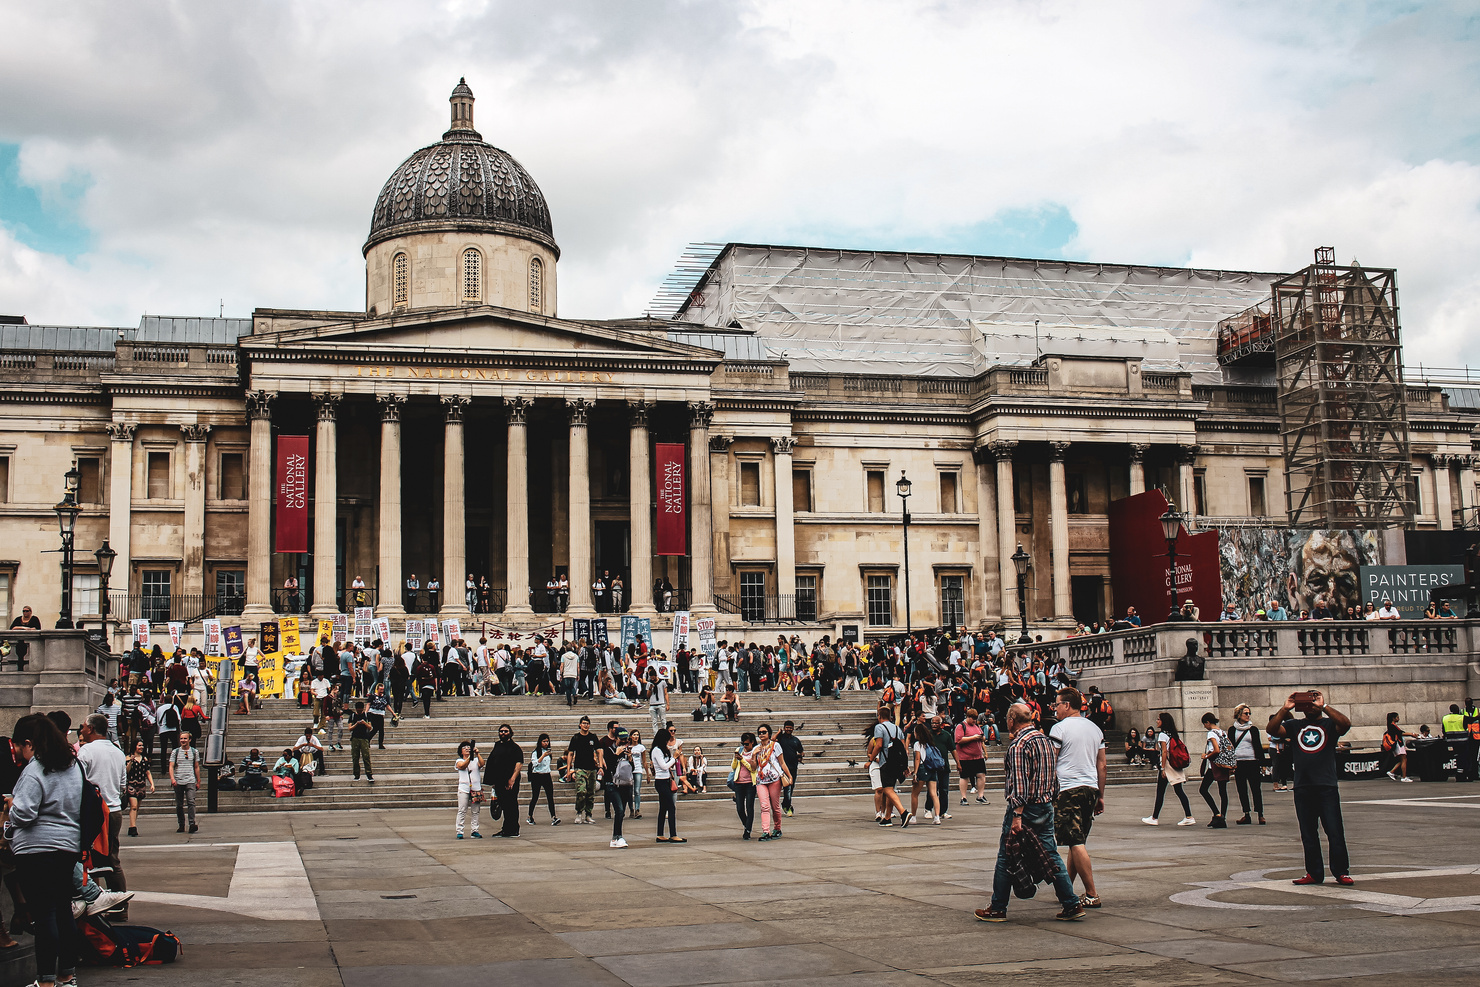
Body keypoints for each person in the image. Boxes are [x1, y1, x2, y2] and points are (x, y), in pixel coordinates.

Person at [974, 703, 1086, 923]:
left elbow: (1020, 785)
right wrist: (1050, 799)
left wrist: (1017, 814)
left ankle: (998, 907)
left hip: (1025, 808)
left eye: (1007, 718)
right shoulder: (1046, 741)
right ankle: (1071, 903)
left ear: (1012, 719)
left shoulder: (1019, 745)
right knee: (1051, 854)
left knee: (1007, 855)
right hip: (1045, 804)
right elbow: (1054, 776)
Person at [6, 715, 84, 985]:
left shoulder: (35, 769)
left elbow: (25, 813)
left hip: (36, 850)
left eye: (18, 746)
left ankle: (46, 980)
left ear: (29, 743)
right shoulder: (73, 765)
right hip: (67, 846)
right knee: (63, 911)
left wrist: (10, 809)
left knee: (45, 914)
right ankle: (67, 976)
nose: (17, 752)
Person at [1268, 690, 1353, 885]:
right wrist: (1286, 708)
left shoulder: (1329, 724)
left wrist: (1324, 706)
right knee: (1308, 833)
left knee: (1334, 831)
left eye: (1312, 701)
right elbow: (1272, 730)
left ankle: (1341, 871)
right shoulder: (1294, 725)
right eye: (1306, 703)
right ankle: (1314, 872)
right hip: (1303, 786)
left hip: (1326, 785)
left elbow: (1346, 724)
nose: (1310, 706)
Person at [1049, 687, 1105, 909]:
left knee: (1075, 841)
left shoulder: (1059, 728)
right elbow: (1102, 764)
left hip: (1068, 789)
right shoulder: (1095, 728)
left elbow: (1051, 762)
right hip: (1090, 788)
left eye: (1057, 704)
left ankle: (1091, 894)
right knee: (1077, 840)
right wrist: (1101, 794)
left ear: (1067, 705)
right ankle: (1067, 890)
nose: (1055, 708)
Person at [77, 713, 128, 894]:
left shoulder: (86, 751)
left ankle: (93, 901)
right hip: (114, 810)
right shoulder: (118, 752)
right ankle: (120, 905)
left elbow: (78, 781)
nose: (81, 730)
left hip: (94, 811)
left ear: (90, 728)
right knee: (112, 858)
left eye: (83, 726)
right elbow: (123, 784)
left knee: (89, 858)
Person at [1142, 712, 1194, 826]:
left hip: (1168, 766)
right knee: (1178, 791)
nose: (1157, 721)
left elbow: (1164, 751)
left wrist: (1163, 768)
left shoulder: (1162, 735)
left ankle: (1155, 818)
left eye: (1158, 719)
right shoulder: (1173, 734)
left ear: (1163, 721)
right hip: (1175, 765)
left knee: (1161, 792)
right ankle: (1188, 816)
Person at [746, 723, 790, 842]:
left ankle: (777, 828)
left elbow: (782, 763)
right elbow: (753, 768)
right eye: (759, 732)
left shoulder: (776, 746)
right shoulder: (756, 748)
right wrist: (754, 755)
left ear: (769, 734)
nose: (761, 734)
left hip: (774, 779)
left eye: (764, 732)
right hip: (761, 780)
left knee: (775, 807)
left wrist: (789, 776)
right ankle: (766, 831)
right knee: (764, 806)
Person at [868, 705, 910, 827]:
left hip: (886, 762)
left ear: (879, 716)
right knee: (891, 788)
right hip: (897, 763)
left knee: (887, 789)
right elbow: (903, 748)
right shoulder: (897, 729)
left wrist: (871, 758)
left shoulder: (879, 727)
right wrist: (905, 765)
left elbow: (879, 744)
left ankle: (903, 812)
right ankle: (887, 817)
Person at [1227, 704, 1267, 823]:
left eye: (1249, 713)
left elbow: (1258, 747)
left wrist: (1263, 764)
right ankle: (1246, 814)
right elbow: (1230, 747)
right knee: (1242, 789)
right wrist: (1230, 764)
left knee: (1256, 789)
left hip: (1252, 761)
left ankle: (1260, 814)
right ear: (1239, 715)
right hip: (1239, 763)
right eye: (1246, 713)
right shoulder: (1232, 730)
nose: (1248, 715)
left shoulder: (1253, 729)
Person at [485, 724, 522, 838]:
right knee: (505, 805)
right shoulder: (497, 746)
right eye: (501, 731)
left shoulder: (515, 747)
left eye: (506, 731)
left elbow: (519, 763)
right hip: (499, 780)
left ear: (510, 733)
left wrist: (512, 779)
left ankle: (514, 829)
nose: (503, 733)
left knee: (511, 804)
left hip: (510, 780)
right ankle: (506, 829)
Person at [602, 728, 636, 848]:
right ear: (616, 739)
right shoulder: (609, 750)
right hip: (612, 784)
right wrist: (616, 754)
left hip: (625, 784)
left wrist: (630, 759)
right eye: (621, 739)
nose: (624, 742)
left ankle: (616, 837)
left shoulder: (626, 751)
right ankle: (617, 837)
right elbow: (608, 766)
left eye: (626, 740)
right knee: (619, 810)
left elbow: (631, 768)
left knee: (621, 813)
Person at [650, 728, 684, 843]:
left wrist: (674, 757)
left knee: (663, 808)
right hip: (660, 781)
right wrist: (674, 758)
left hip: (666, 779)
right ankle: (673, 834)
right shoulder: (656, 750)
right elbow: (664, 766)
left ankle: (660, 834)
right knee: (671, 807)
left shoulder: (663, 749)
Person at [564, 716, 600, 824]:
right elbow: (570, 753)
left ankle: (588, 814)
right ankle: (579, 812)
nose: (586, 725)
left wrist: (600, 765)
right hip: (580, 768)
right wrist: (569, 769)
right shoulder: (576, 738)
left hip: (591, 768)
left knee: (590, 793)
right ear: (580, 725)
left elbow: (599, 750)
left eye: (587, 723)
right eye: (584, 723)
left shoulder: (593, 737)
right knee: (581, 791)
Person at [1198, 712, 1231, 829]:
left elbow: (1216, 750)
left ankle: (1217, 814)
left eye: (1204, 724)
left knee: (1203, 789)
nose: (1204, 726)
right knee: (1223, 792)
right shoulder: (1223, 732)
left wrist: (1206, 756)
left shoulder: (1211, 733)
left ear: (1207, 722)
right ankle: (1222, 817)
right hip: (1224, 764)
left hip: (1214, 766)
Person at [907, 720, 941, 826]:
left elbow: (918, 759)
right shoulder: (930, 743)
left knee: (915, 794)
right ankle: (937, 817)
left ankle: (913, 816)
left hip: (922, 768)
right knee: (934, 794)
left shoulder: (918, 744)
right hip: (932, 769)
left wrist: (915, 773)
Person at [955, 708, 989, 806]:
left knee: (981, 775)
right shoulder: (961, 726)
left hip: (978, 756)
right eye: (972, 719)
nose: (974, 721)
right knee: (964, 776)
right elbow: (959, 740)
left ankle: (980, 796)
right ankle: (963, 797)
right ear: (968, 717)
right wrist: (973, 738)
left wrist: (981, 738)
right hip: (965, 757)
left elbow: (982, 737)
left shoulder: (976, 726)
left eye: (975, 719)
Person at [168, 731, 201, 834]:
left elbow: (196, 766)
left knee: (191, 801)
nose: (183, 740)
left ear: (189, 740)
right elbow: (171, 766)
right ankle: (181, 824)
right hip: (178, 780)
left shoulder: (194, 752)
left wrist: (198, 780)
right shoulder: (175, 752)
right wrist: (172, 778)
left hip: (190, 779)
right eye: (181, 738)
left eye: (185, 738)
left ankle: (192, 823)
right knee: (179, 804)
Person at [525, 733, 561, 825]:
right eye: (544, 741)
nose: (546, 743)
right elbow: (535, 763)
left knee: (550, 797)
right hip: (537, 776)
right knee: (535, 796)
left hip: (546, 775)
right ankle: (530, 816)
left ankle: (553, 817)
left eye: (547, 741)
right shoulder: (536, 752)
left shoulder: (548, 752)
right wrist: (542, 756)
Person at [124, 739, 155, 835]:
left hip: (141, 784)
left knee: (136, 807)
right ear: (134, 746)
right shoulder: (128, 758)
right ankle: (133, 827)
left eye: (142, 745)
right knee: (133, 806)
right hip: (132, 784)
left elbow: (147, 772)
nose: (141, 747)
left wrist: (152, 784)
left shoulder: (144, 759)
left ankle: (132, 825)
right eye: (139, 745)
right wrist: (131, 762)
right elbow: (126, 771)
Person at [730, 732, 758, 839]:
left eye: (747, 744)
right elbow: (733, 766)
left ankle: (747, 830)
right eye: (743, 744)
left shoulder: (754, 753)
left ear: (752, 743)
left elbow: (752, 768)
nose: (744, 746)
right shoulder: (739, 750)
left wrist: (742, 760)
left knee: (749, 807)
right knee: (740, 808)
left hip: (750, 783)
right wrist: (735, 758)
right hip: (739, 783)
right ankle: (747, 825)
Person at [454, 741, 484, 839]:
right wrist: (468, 758)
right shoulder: (459, 760)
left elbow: (482, 764)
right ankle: (460, 831)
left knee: (476, 811)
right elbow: (462, 766)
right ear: (461, 751)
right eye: (464, 748)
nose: (467, 749)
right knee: (462, 810)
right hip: (464, 788)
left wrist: (477, 754)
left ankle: (475, 830)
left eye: (468, 747)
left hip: (476, 788)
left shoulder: (475, 760)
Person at [777, 720, 804, 817]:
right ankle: (787, 807)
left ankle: (785, 804)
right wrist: (778, 733)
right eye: (787, 727)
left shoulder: (796, 740)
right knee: (786, 788)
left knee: (790, 788)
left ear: (793, 728)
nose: (788, 729)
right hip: (782, 768)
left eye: (790, 728)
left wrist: (800, 756)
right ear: (784, 728)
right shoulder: (780, 738)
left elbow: (801, 751)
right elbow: (772, 741)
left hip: (793, 767)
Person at [1383, 712, 1416, 782]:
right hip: (1398, 744)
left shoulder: (1391, 726)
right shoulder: (1392, 726)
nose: (1398, 719)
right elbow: (1401, 733)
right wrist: (1411, 734)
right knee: (1404, 759)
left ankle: (1392, 772)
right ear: (1393, 718)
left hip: (1397, 744)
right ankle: (1403, 777)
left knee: (1403, 760)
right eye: (1397, 717)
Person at [347, 702, 375, 783]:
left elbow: (370, 727)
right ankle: (356, 774)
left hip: (364, 738)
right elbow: (350, 728)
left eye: (361, 710)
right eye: (358, 710)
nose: (359, 711)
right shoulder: (352, 716)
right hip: (355, 738)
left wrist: (364, 723)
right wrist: (356, 724)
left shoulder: (366, 716)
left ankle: (369, 774)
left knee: (366, 757)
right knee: (355, 757)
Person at [647, 667, 668, 737]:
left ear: (656, 676)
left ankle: (665, 735)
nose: (652, 679)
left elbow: (665, 693)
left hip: (661, 703)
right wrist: (650, 689)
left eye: (653, 678)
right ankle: (655, 735)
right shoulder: (649, 683)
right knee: (654, 721)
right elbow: (648, 695)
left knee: (663, 720)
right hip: (652, 704)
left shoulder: (662, 682)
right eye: (651, 678)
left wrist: (667, 703)